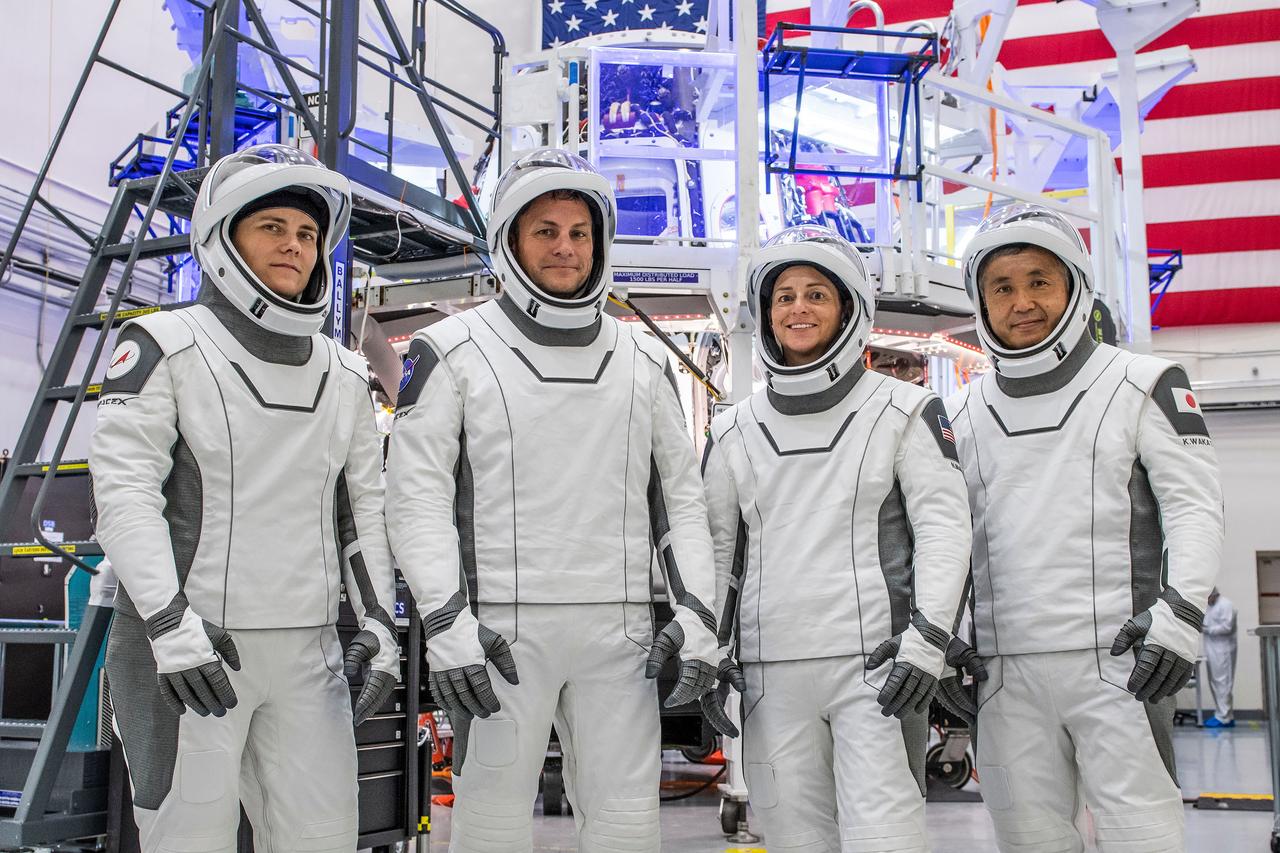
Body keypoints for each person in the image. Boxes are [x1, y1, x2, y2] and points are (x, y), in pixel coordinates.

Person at [385, 148, 729, 853]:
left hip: (622, 635)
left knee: (628, 824)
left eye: (579, 232)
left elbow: (682, 505)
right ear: (510, 239)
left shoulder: (646, 360)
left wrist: (698, 617)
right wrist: (446, 624)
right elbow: (416, 499)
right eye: (546, 230)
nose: (566, 247)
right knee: (489, 822)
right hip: (500, 637)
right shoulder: (450, 349)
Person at [90, 144, 400, 853]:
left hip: (310, 656)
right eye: (273, 228)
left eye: (307, 233)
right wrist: (170, 625)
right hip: (189, 653)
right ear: (223, 235)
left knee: (321, 839)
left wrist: (380, 625)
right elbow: (125, 496)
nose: (294, 245)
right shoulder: (164, 344)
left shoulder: (345, 375)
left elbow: (363, 516)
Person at [946, 203, 1224, 851]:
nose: (1022, 302)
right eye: (1003, 287)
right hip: (1003, 671)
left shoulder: (1146, 381)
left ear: (1074, 284)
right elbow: (946, 537)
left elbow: (1195, 506)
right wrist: (949, 639)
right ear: (981, 303)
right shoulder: (958, 412)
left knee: (1143, 834)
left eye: (1039, 281)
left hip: (1123, 662)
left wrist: (1179, 619)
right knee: (1028, 837)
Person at [700, 225, 972, 852]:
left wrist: (928, 642)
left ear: (849, 307)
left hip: (876, 671)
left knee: (887, 837)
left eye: (816, 294)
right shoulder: (733, 428)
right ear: (766, 313)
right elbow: (717, 552)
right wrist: (708, 649)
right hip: (771, 675)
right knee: (796, 839)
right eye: (785, 296)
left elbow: (943, 530)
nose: (799, 309)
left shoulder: (905, 410)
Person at [1202, 587, 1238, 728]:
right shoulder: (1210, 606)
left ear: (1214, 594)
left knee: (1223, 683)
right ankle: (1225, 715)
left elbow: (1227, 627)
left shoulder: (1226, 605)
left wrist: (1206, 629)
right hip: (1212, 649)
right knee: (1216, 682)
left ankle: (1224, 717)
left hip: (1224, 650)